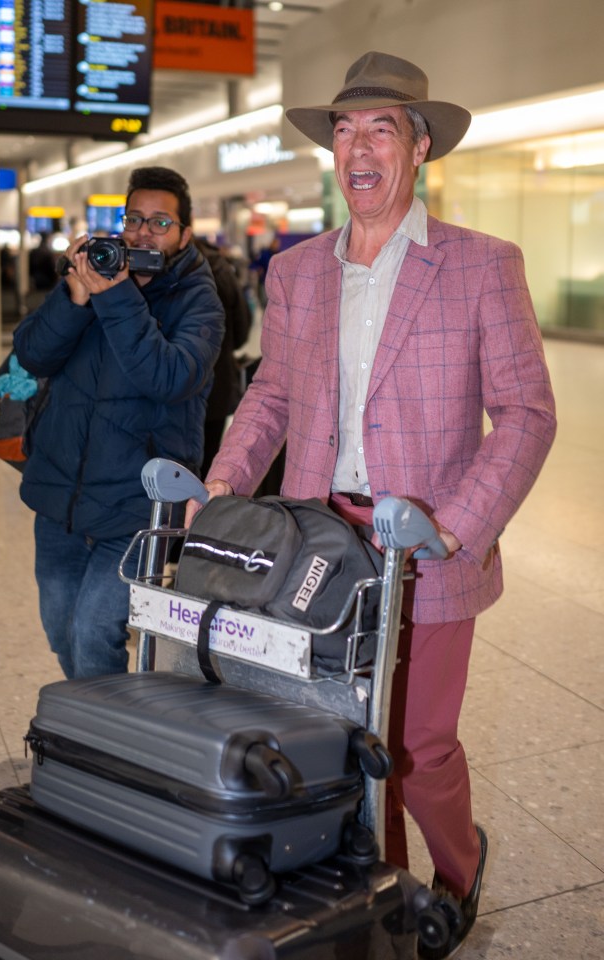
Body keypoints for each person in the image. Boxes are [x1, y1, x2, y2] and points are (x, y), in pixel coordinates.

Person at [185, 52, 557, 959]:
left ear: (418, 146)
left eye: (380, 127)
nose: (357, 147)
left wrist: (456, 525)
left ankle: (458, 871)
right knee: (336, 739)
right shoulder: (297, 270)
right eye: (343, 129)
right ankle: (376, 895)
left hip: (424, 547)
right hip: (313, 552)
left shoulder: (480, 266)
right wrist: (225, 483)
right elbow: (270, 393)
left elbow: (525, 413)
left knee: (419, 747)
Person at [13, 165, 224, 680]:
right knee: (60, 627)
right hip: (63, 494)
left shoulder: (200, 303)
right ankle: (95, 720)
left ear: (185, 235)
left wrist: (113, 295)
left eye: (160, 222)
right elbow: (32, 355)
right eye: (133, 219)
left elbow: (169, 377)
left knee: (93, 635)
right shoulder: (93, 279)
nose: (142, 232)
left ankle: (101, 746)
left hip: (136, 509)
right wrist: (74, 298)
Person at [193, 237, 252, 477]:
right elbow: (242, 331)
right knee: (206, 469)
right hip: (216, 386)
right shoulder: (220, 268)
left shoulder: (153, 268)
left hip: (169, 398)